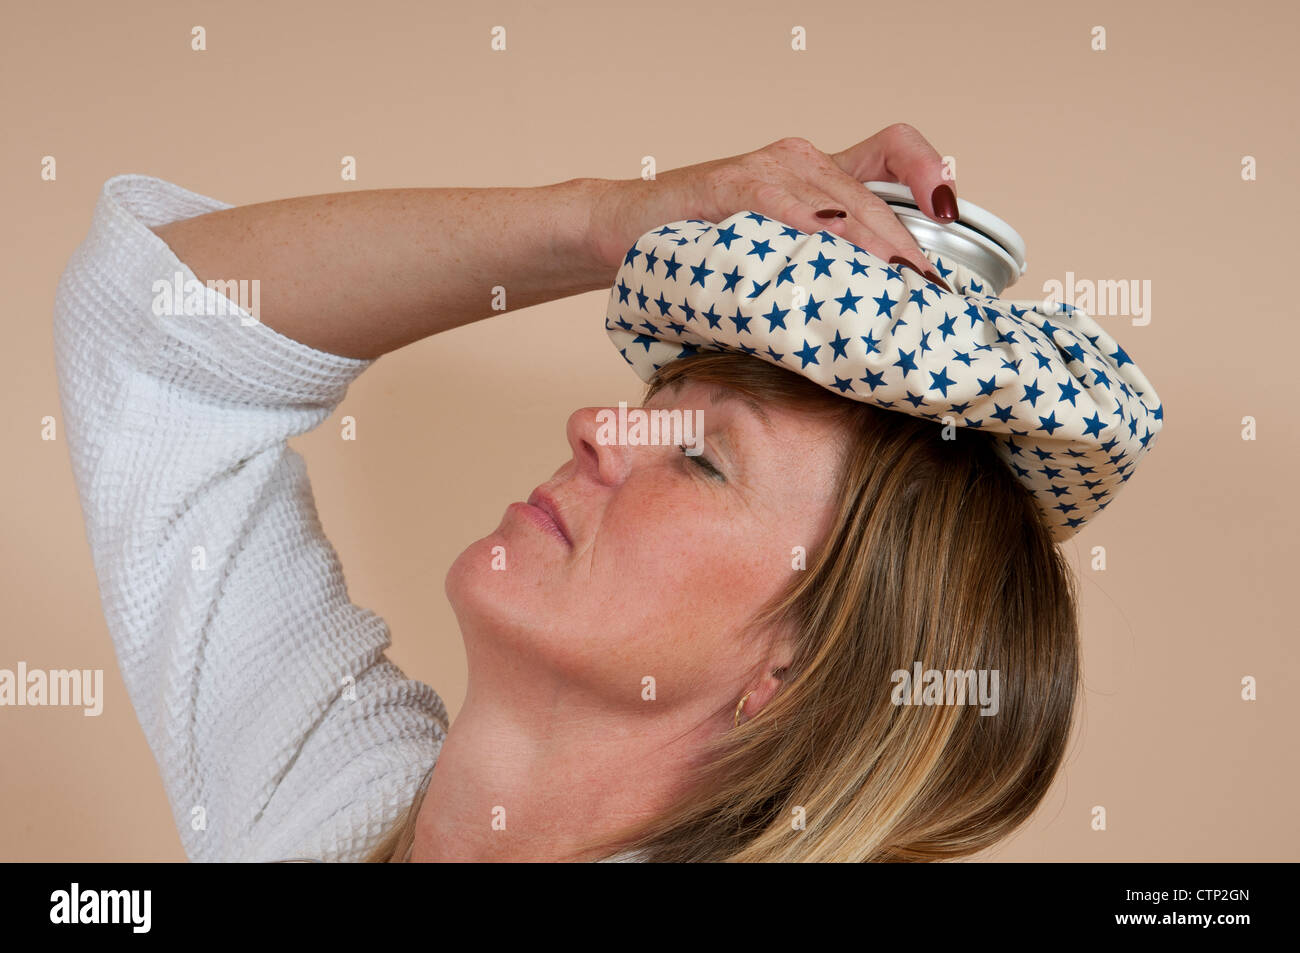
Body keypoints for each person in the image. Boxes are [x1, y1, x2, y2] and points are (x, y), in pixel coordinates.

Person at [53, 125, 1079, 862]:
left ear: (797, 674)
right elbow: (153, 340)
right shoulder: (335, 803)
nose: (599, 428)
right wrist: (600, 221)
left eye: (704, 457)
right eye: (659, 398)